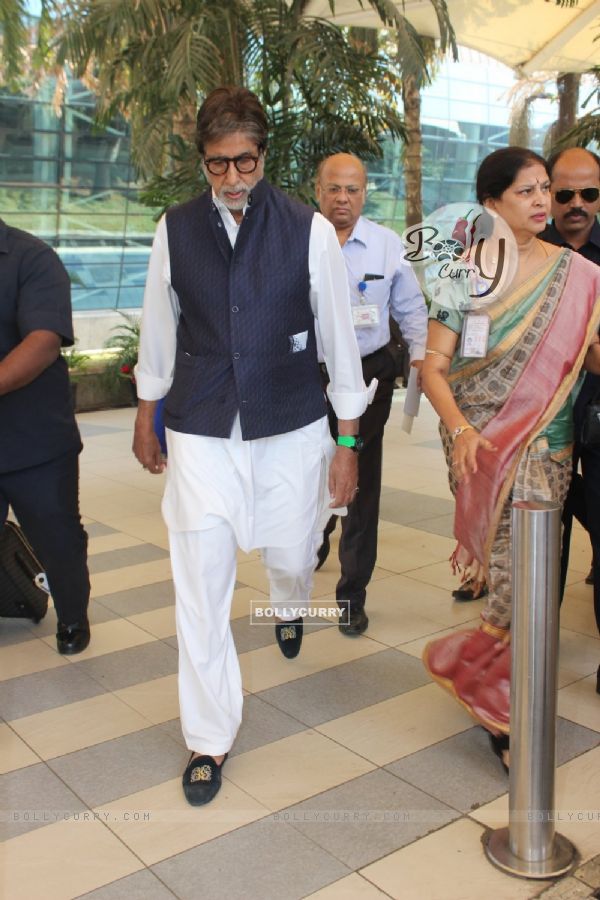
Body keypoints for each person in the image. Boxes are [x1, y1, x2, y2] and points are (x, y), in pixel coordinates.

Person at [133, 87, 372, 806]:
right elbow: (158, 328)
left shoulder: (306, 230)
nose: (233, 179)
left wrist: (348, 441)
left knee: (293, 553)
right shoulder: (174, 229)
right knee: (200, 589)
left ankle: (291, 600)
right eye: (217, 166)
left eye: (245, 163)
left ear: (264, 156)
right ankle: (209, 737)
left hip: (292, 426)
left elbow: (338, 341)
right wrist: (149, 412)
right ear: (202, 162)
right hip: (203, 429)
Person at [420, 147, 600, 772]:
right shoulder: (457, 276)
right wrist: (464, 428)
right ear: (491, 205)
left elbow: (588, 353)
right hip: (484, 447)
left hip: (548, 447)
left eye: (545, 189)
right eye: (527, 192)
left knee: (533, 577)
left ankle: (495, 686)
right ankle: (497, 699)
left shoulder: (578, 274)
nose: (543, 202)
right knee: (509, 574)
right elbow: (434, 370)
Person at [315, 153, 427, 635]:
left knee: (360, 475)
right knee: (311, 468)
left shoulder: (385, 245)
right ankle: (317, 533)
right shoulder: (296, 241)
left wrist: (423, 362)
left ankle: (351, 594)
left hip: (369, 375)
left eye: (353, 190)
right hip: (309, 376)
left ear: (365, 193)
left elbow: (412, 310)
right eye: (335, 188)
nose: (344, 198)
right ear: (318, 189)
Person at [0, 218, 90, 654]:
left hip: (34, 440)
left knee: (57, 539)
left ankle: (72, 617)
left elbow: (42, 343)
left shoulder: (31, 257)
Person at [543, 147, 600, 693]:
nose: (577, 205)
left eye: (589, 194)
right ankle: (539, 646)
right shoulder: (530, 254)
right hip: (543, 426)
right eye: (564, 195)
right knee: (543, 537)